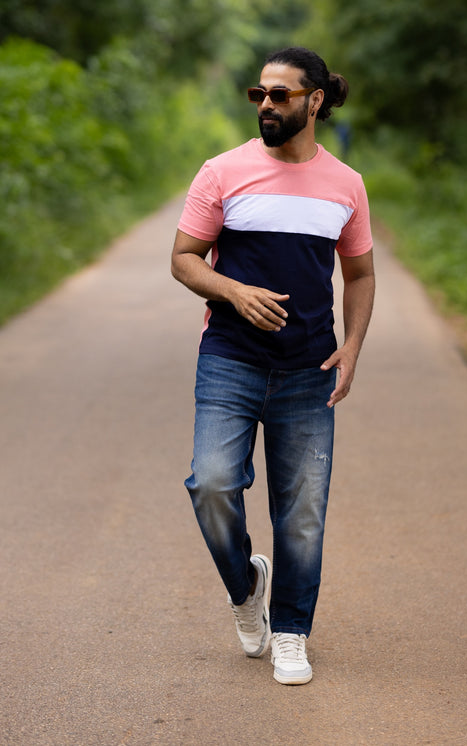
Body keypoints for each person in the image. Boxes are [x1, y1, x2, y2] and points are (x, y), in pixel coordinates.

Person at [171, 47, 375, 685]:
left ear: (314, 101)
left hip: (307, 370)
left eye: (280, 95)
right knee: (211, 485)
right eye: (259, 93)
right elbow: (184, 258)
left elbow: (361, 272)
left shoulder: (346, 184)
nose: (266, 104)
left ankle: (291, 631)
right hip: (229, 359)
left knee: (303, 511)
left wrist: (354, 346)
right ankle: (244, 587)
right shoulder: (223, 172)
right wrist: (232, 291)